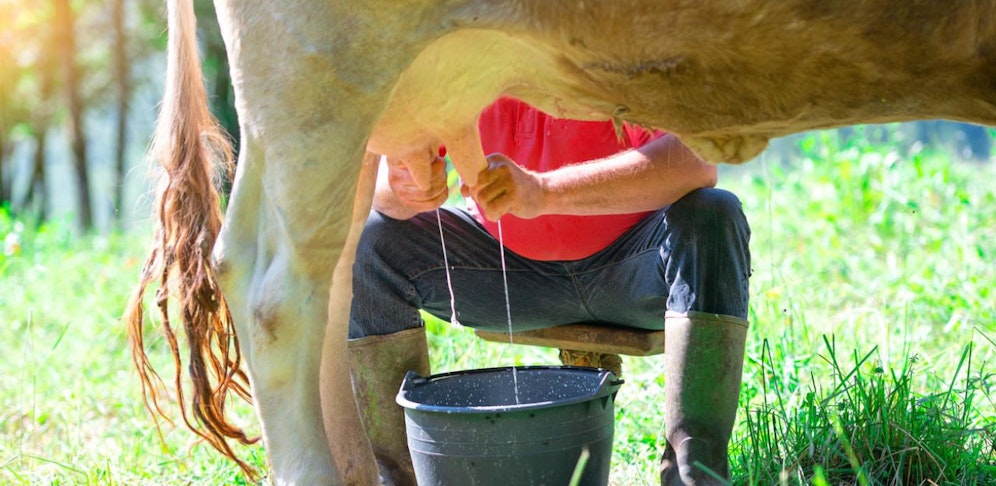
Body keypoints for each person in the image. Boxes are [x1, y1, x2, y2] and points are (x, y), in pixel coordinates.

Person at [348, 97, 751, 485]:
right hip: (505, 270)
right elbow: (385, 192)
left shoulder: (614, 38)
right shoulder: (466, 56)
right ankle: (397, 478)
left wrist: (543, 191)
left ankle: (694, 473)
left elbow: (696, 162)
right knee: (372, 241)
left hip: (635, 268)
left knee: (714, 213)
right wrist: (404, 186)